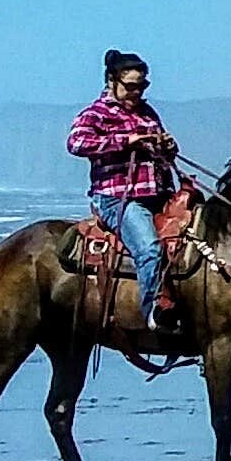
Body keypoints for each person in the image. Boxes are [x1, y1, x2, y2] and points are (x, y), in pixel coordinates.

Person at [66, 50, 180, 329]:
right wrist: (125, 141)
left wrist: (167, 147)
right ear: (111, 81)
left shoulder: (147, 113)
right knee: (149, 248)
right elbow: (76, 143)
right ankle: (153, 313)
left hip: (159, 195)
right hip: (118, 198)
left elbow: (161, 154)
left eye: (142, 86)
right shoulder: (96, 114)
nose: (136, 92)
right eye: (130, 86)